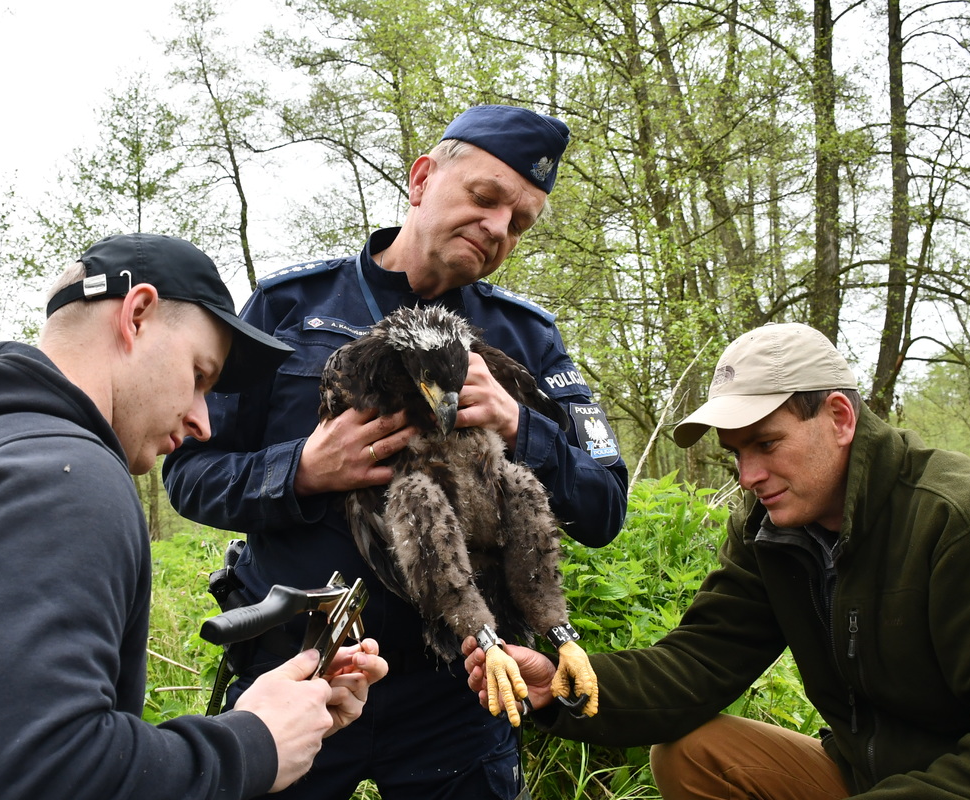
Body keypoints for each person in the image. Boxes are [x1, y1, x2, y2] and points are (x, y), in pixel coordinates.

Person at [163, 105, 629, 799]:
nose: (499, 227)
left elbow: (604, 507)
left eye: (521, 221)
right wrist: (301, 471)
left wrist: (519, 427)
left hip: (462, 686)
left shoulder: (527, 338)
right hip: (299, 670)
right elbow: (189, 476)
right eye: (484, 197)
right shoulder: (288, 307)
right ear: (421, 181)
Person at [0, 233, 388, 799]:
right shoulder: (59, 478)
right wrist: (253, 744)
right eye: (198, 377)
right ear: (137, 314)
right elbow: (30, 777)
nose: (203, 422)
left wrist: (260, 718)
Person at [464, 321, 970, 799]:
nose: (748, 477)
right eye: (736, 452)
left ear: (840, 417)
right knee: (693, 753)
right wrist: (558, 686)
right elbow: (700, 665)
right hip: (865, 774)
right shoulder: (771, 530)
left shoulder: (969, 523)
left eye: (767, 444)